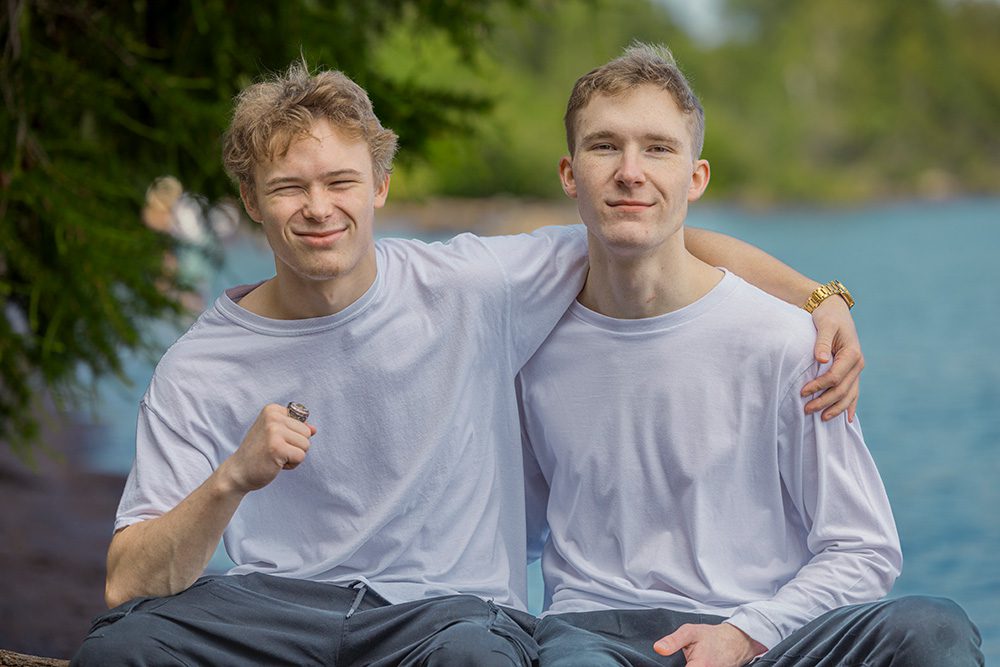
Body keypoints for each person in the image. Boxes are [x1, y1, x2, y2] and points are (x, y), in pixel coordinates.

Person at [73, 60, 864, 666]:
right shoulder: (201, 362)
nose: (319, 207)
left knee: (478, 657)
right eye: (289, 188)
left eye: (341, 180)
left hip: (442, 613)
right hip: (273, 611)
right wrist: (230, 479)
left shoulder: (477, 285)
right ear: (251, 201)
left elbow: (656, 234)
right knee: (119, 647)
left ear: (380, 185)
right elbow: (126, 580)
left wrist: (821, 298)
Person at [518, 43, 984, 667]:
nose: (631, 171)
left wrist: (745, 634)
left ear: (696, 177)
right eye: (605, 146)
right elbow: (504, 529)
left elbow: (863, 548)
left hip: (761, 634)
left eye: (658, 148)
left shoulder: (790, 342)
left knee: (932, 628)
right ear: (570, 174)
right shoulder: (529, 336)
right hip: (590, 635)